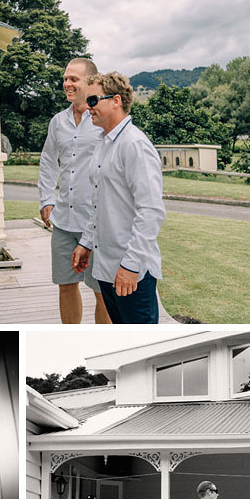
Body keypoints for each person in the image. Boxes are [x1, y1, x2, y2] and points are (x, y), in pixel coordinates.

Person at [73, 73, 165, 324]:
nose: (87, 107)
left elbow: (151, 211)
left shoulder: (134, 145)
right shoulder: (103, 143)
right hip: (105, 267)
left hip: (130, 271)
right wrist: (86, 243)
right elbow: (99, 203)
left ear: (115, 100)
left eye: (92, 100)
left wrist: (131, 266)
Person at [37, 58, 110, 325]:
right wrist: (46, 198)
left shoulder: (103, 118)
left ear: (90, 82)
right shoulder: (58, 121)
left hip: (97, 222)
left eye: (73, 79)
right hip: (64, 222)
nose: (67, 83)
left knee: (102, 292)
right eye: (66, 78)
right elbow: (48, 160)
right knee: (66, 285)